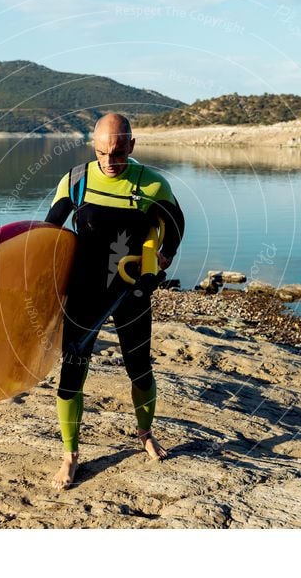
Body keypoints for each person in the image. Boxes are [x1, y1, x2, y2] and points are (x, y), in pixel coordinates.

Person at [44, 113, 185, 490]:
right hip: (86, 291)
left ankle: (145, 433)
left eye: (118, 153)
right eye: (102, 153)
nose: (109, 162)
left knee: (138, 367)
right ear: (94, 147)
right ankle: (70, 455)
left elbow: (176, 227)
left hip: (130, 289)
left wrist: (162, 256)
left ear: (132, 146)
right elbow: (48, 232)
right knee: (72, 371)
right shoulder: (76, 180)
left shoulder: (152, 184)